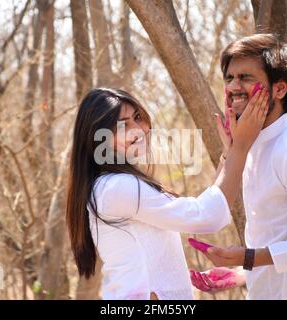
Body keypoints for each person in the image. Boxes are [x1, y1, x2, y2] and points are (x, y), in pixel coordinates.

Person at [65, 87, 268, 299]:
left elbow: (203, 207)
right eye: (123, 126)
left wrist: (229, 154)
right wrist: (240, 147)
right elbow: (207, 215)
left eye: (137, 117)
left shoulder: (110, 186)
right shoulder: (118, 187)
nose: (138, 129)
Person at [190, 34, 287, 300]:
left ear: (279, 89)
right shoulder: (251, 149)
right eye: (229, 78)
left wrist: (250, 258)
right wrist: (241, 273)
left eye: (246, 77)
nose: (233, 87)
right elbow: (284, 239)